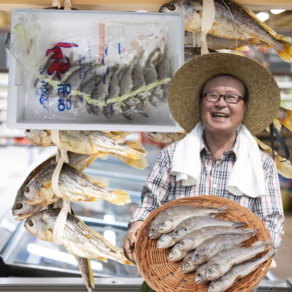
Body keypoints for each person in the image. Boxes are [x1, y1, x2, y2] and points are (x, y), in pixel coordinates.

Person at [123, 53, 284, 266]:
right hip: (173, 272)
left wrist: (249, 259)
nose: (220, 104)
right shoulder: (171, 156)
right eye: (212, 96)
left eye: (231, 97)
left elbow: (271, 222)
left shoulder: (262, 165)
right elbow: (152, 203)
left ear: (244, 108)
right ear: (200, 103)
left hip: (231, 276)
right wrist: (136, 227)